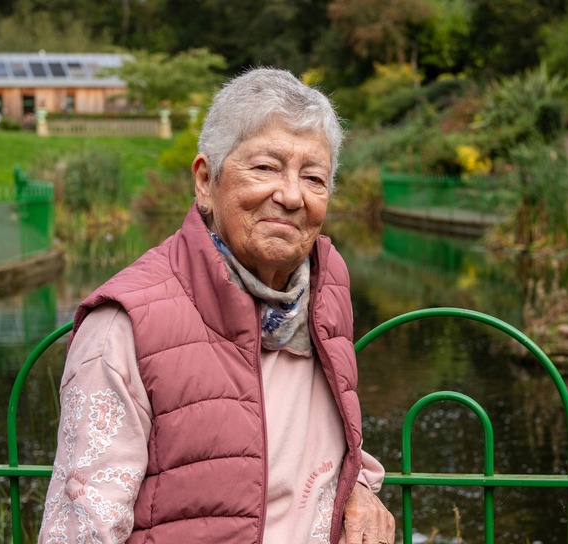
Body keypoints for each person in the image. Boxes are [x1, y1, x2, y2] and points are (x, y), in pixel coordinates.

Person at [38, 68, 395, 544]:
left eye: (314, 177)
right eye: (266, 168)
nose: (291, 196)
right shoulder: (124, 328)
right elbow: (83, 530)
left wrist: (358, 491)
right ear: (206, 181)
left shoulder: (325, 288)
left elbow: (317, 449)